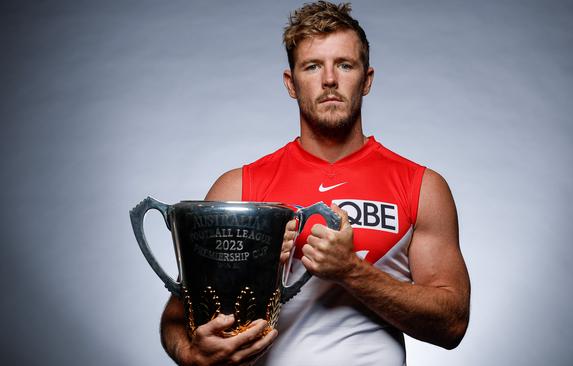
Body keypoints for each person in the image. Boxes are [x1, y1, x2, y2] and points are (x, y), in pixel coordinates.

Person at [160, 2, 470, 365]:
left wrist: (350, 271)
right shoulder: (239, 189)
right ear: (291, 83)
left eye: (344, 64)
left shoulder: (420, 186)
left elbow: (453, 324)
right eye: (312, 66)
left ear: (366, 80)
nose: (329, 80)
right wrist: (191, 354)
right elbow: (178, 316)